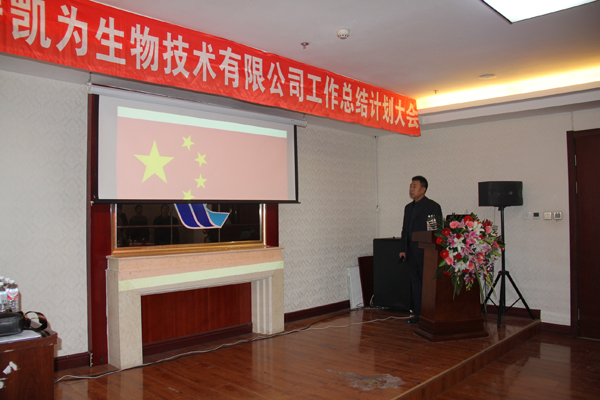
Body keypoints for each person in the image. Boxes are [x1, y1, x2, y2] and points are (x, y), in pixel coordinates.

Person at [399, 176, 442, 324]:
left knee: (428, 285)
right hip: (411, 251)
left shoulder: (432, 207)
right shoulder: (408, 208)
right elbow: (405, 230)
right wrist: (403, 249)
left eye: (415, 186)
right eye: (410, 186)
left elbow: (435, 230)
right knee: (416, 284)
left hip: (426, 252)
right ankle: (418, 313)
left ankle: (430, 314)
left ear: (423, 189)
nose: (411, 189)